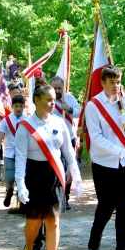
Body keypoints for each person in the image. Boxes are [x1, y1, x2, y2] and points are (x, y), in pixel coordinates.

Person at [15, 85, 82, 250]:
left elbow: (68, 152)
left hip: (53, 175)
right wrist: (20, 184)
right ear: (36, 100)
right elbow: (20, 158)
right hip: (33, 176)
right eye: (48, 100)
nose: (53, 103)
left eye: (54, 99)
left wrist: (76, 178)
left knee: (53, 222)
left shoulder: (59, 123)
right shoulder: (25, 127)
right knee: (34, 224)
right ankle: (29, 247)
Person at [85, 65, 125, 250]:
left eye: (118, 82)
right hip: (104, 163)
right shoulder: (94, 106)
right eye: (112, 82)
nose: (116, 86)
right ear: (103, 82)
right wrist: (119, 151)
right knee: (107, 206)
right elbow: (96, 138)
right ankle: (96, 233)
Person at [50, 75, 81, 210]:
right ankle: (55, 196)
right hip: (52, 141)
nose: (57, 91)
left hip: (69, 138)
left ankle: (65, 198)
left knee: (69, 167)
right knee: (56, 168)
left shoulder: (69, 98)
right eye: (54, 88)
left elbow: (79, 112)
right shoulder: (47, 98)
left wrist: (69, 109)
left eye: (59, 88)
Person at [0, 95, 26, 207]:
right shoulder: (6, 120)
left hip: (23, 154)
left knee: (22, 177)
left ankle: (22, 200)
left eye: (21, 106)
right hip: (9, 153)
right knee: (9, 177)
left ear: (24, 106)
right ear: (12, 106)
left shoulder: (27, 120)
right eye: (16, 106)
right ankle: (9, 192)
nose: (18, 108)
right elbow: (0, 137)